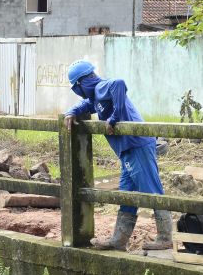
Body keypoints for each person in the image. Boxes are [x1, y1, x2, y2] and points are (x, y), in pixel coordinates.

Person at [63, 60, 173, 251]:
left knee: (152, 190)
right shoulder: (96, 97)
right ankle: (119, 239)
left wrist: (115, 117)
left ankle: (166, 236)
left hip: (136, 144)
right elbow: (86, 105)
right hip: (127, 149)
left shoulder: (101, 87)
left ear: (81, 83)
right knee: (126, 194)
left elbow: (119, 83)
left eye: (76, 88)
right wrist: (72, 111)